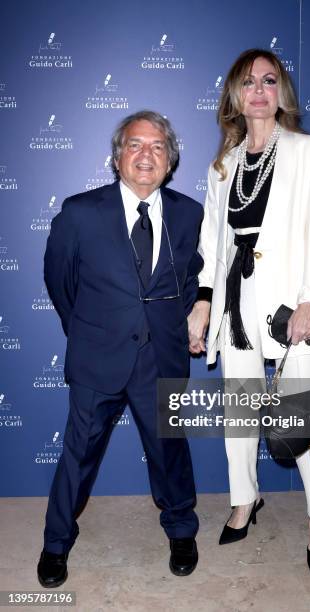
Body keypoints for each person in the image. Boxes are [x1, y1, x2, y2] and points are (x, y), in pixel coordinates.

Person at [37, 110, 203, 587]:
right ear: (116, 157)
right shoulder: (80, 212)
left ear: (170, 160)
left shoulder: (190, 213)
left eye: (157, 146)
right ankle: (55, 542)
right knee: (77, 455)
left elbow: (192, 279)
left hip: (161, 357)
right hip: (98, 356)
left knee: (170, 450)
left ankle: (181, 529)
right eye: (135, 145)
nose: (146, 155)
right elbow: (58, 281)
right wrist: (88, 329)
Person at [188, 49, 310, 573]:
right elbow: (213, 238)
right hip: (236, 300)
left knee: (304, 414)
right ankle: (244, 500)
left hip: (290, 302)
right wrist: (204, 301)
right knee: (240, 410)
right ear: (235, 94)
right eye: (248, 82)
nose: (258, 89)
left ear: (281, 93)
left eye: (269, 80)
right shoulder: (223, 164)